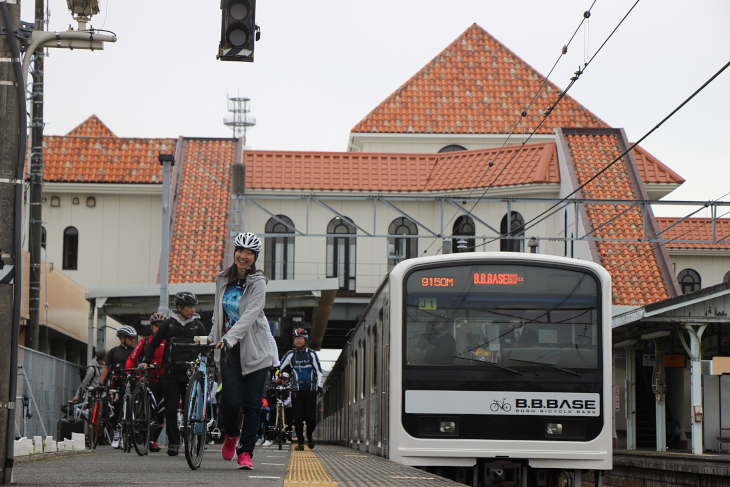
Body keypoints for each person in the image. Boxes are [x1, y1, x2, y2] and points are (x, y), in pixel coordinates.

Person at [209, 232, 279, 470]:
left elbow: (250, 315)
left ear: (255, 257)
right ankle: (230, 434)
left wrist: (230, 337)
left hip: (256, 350)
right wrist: (211, 339)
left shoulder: (259, 282)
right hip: (229, 350)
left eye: (250, 253)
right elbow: (218, 314)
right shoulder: (221, 279)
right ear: (235, 252)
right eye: (241, 251)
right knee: (229, 401)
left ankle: (246, 452)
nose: (244, 256)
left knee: (252, 405)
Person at [138, 292, 206, 456]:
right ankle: (174, 443)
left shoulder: (198, 326)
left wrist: (205, 366)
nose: (193, 309)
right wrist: (147, 361)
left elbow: (204, 349)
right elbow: (153, 344)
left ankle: (191, 438)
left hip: (190, 374)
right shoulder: (168, 324)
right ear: (180, 307)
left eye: (194, 306)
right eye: (189, 306)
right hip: (171, 373)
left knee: (190, 410)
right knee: (170, 409)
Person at [126, 312, 167, 452]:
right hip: (150, 381)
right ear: (152, 326)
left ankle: (154, 440)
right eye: (157, 325)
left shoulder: (170, 342)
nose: (159, 327)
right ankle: (146, 437)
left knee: (162, 415)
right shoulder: (144, 342)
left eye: (162, 325)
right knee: (152, 410)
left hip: (166, 381)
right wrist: (130, 372)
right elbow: (132, 358)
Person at [279, 328, 324, 451]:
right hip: (296, 391)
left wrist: (319, 386)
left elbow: (319, 372)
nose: (298, 340)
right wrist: (279, 378)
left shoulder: (311, 354)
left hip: (310, 391)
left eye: (301, 338)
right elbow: (279, 368)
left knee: (311, 420)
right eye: (296, 338)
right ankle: (300, 443)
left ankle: (309, 435)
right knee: (297, 419)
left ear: (306, 340)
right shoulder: (290, 354)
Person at [99, 325, 138, 448]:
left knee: (132, 410)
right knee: (117, 410)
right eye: (130, 338)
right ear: (122, 339)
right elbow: (106, 367)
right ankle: (116, 434)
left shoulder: (135, 351)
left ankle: (127, 436)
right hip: (117, 384)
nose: (133, 340)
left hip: (132, 383)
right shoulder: (114, 351)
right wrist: (101, 383)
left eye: (133, 338)